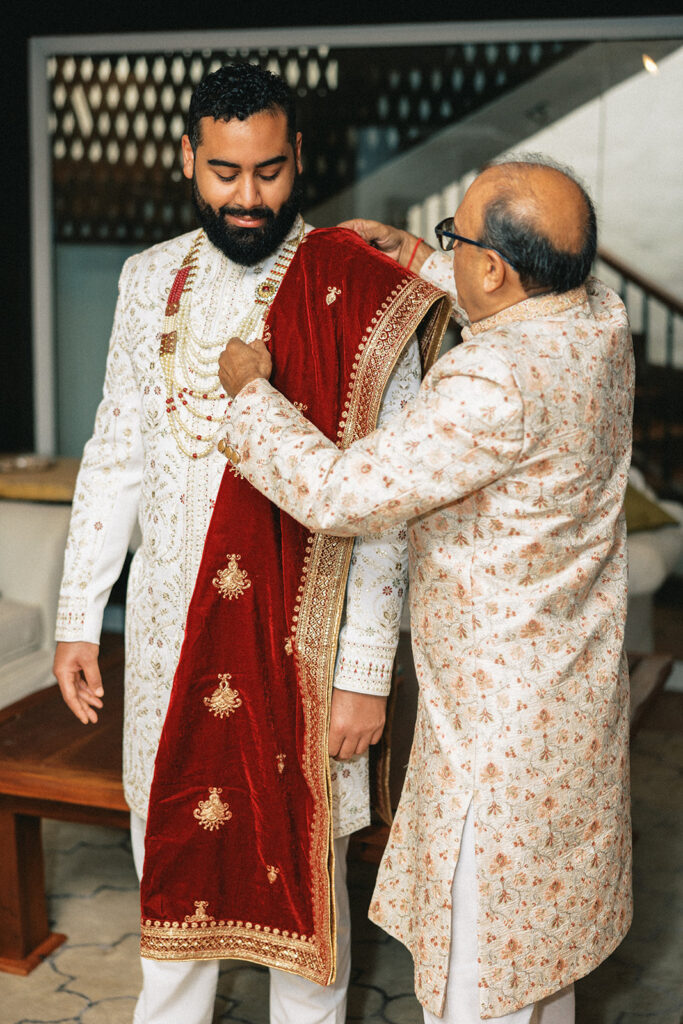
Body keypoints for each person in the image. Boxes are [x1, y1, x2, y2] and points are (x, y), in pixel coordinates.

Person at [53, 63, 449, 1024]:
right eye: (225, 174)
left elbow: (385, 508)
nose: (247, 197)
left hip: (300, 650)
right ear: (189, 158)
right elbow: (116, 453)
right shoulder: (147, 278)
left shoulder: (356, 293)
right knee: (173, 856)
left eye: (269, 172)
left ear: (297, 158)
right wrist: (76, 616)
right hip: (164, 637)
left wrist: (362, 670)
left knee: (303, 890)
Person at [216, 155, 634, 1023]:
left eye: (459, 237)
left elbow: (340, 496)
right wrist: (417, 255)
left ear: (494, 269)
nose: (448, 248)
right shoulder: (600, 318)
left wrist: (252, 397)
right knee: (541, 960)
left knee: (480, 977)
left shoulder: (494, 378)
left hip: (496, 740)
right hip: (571, 704)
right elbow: (512, 285)